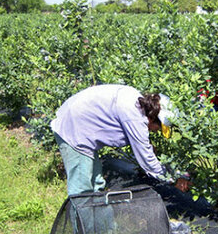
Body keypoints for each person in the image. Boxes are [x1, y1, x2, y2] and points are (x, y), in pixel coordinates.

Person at [51, 84, 191, 196]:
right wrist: (173, 180)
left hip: (80, 123)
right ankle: (82, 230)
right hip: (74, 129)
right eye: (158, 128)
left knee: (96, 183)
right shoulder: (134, 118)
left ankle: (99, 226)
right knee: (82, 190)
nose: (156, 131)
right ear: (153, 117)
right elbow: (148, 163)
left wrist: (145, 145)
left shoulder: (137, 105)